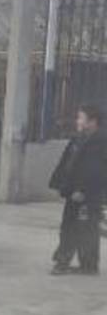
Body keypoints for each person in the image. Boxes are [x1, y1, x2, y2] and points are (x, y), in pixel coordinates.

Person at [49, 104, 107, 276]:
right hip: (74, 191)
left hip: (87, 193)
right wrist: (60, 183)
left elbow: (94, 169)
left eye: (81, 118)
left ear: (92, 121)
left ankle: (67, 262)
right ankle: (86, 264)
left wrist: (82, 190)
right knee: (75, 225)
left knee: (79, 227)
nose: (77, 121)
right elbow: (68, 162)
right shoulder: (80, 138)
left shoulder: (100, 141)